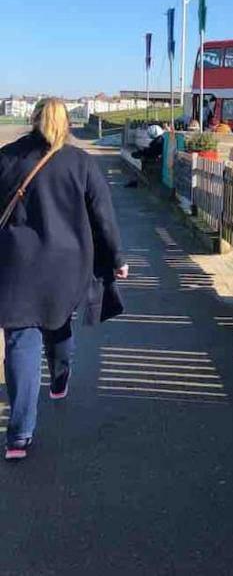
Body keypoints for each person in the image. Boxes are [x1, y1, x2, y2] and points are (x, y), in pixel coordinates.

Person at [0, 99, 127, 461]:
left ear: (33, 120)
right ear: (67, 124)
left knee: (21, 341)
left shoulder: (7, 157)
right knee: (58, 323)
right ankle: (59, 380)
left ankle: (19, 437)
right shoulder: (81, 163)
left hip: (16, 265)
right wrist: (116, 259)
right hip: (67, 266)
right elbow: (103, 216)